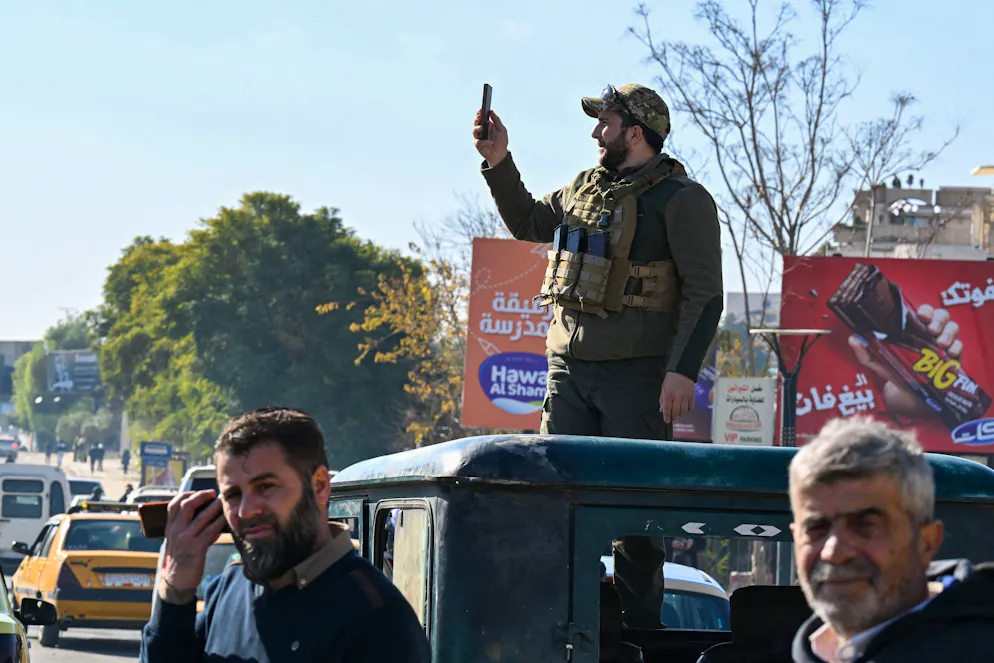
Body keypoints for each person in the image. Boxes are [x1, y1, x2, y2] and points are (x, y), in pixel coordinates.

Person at [474, 83, 723, 628]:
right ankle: (559, 627)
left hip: (637, 378)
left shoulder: (682, 199)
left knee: (637, 519)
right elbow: (530, 224)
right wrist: (499, 162)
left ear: (636, 133)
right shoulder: (584, 189)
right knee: (554, 501)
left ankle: (637, 636)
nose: (594, 133)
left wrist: (681, 374)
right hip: (568, 371)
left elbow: (706, 293)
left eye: (605, 124)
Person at [140, 407, 430, 663]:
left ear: (319, 486)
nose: (245, 510)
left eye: (265, 487)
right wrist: (176, 589)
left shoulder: (377, 618)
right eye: (233, 494)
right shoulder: (228, 590)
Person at [789, 416, 994, 662]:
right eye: (816, 528)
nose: (834, 552)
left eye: (866, 526)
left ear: (926, 542)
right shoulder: (813, 650)